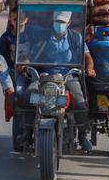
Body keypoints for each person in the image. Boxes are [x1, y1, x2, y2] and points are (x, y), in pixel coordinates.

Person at [19, 10, 96, 152]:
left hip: (68, 77)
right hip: (44, 77)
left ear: (69, 23)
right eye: (57, 22)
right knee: (28, 96)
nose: (59, 25)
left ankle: (83, 136)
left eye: (62, 22)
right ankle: (28, 133)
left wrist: (90, 69)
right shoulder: (43, 37)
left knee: (80, 102)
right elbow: (31, 56)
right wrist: (24, 65)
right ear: (52, 22)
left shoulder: (76, 38)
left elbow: (88, 58)